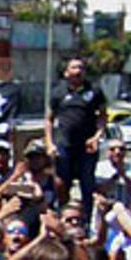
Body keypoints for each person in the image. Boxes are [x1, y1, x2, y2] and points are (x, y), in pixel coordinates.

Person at [48, 57, 108, 211]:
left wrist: (97, 137)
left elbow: (102, 116)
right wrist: (49, 143)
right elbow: (49, 119)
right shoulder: (57, 92)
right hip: (65, 145)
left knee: (87, 185)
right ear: (67, 72)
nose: (78, 71)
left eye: (81, 68)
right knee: (62, 184)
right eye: (74, 68)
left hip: (87, 147)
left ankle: (87, 219)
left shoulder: (94, 91)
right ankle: (63, 216)